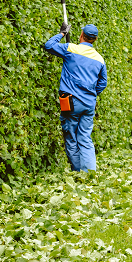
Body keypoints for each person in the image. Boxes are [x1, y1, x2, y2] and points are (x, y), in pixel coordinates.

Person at [44, 23, 107, 172]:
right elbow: (102, 83)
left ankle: (78, 173)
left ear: (81, 35)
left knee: (71, 137)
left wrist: (62, 33)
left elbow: (48, 45)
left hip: (70, 102)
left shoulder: (71, 49)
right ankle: (90, 173)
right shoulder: (99, 59)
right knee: (85, 137)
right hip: (89, 104)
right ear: (95, 39)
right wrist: (91, 94)